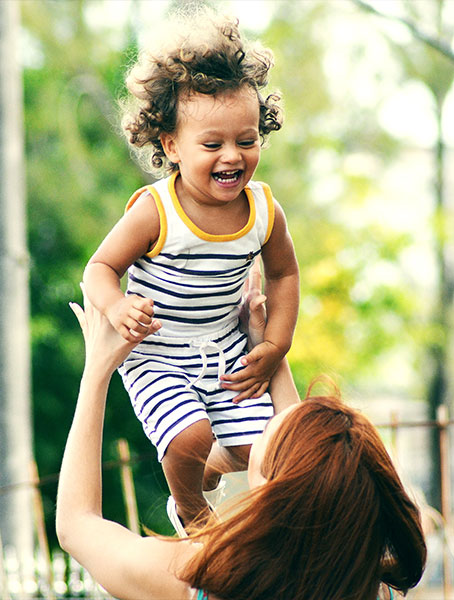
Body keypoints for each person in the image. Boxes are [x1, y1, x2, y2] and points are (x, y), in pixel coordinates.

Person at [57, 285, 426, 600]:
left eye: (268, 430)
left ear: (269, 489)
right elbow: (308, 473)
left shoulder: (198, 578)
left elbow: (77, 525)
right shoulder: (369, 584)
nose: (264, 422)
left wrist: (97, 371)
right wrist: (264, 349)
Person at [82, 9, 300, 531]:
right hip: (158, 351)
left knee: (260, 450)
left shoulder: (264, 210)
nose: (232, 156)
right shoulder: (156, 211)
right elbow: (99, 267)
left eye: (246, 141)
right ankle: (192, 511)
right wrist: (117, 305)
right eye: (212, 144)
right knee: (188, 437)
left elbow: (285, 276)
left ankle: (208, 467)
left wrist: (274, 345)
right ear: (171, 146)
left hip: (223, 346)